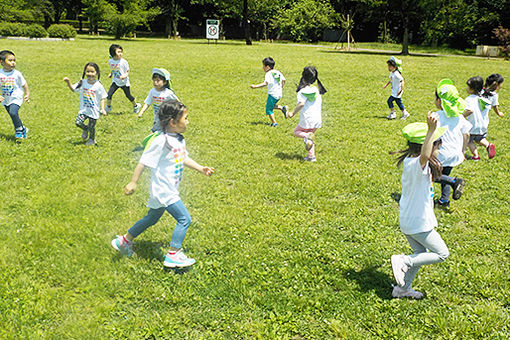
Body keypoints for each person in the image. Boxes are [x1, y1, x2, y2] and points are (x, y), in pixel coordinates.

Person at [111, 100, 214, 268]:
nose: (188, 121)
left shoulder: (178, 139)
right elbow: (143, 161)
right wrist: (133, 182)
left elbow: (182, 158)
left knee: (151, 218)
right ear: (172, 122)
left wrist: (200, 168)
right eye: (186, 118)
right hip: (164, 189)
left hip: (168, 188)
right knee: (184, 219)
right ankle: (174, 254)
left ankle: (124, 241)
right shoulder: (161, 140)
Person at [391, 113, 450, 299]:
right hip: (418, 222)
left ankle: (402, 289)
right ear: (428, 146)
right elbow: (425, 155)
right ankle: (404, 260)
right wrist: (431, 130)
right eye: (438, 146)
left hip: (409, 219)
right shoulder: (418, 164)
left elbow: (425, 156)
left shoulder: (411, 163)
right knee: (441, 253)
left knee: (420, 253)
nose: (439, 151)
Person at [434, 79, 471, 208]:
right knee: (445, 174)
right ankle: (444, 200)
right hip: (455, 152)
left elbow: (431, 133)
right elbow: (466, 134)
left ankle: (455, 182)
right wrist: (463, 151)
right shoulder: (460, 117)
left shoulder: (436, 115)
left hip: (441, 152)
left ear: (439, 101)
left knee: (430, 175)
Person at [285, 66, 326, 162]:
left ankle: (307, 137)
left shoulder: (302, 91)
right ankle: (311, 157)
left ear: (303, 77)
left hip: (307, 118)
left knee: (297, 132)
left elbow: (301, 104)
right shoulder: (316, 89)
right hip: (317, 118)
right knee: (309, 138)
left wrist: (292, 113)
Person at [63, 62, 107, 146]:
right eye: (88, 71)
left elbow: (102, 97)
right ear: (84, 72)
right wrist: (68, 82)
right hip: (84, 109)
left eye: (92, 72)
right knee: (78, 122)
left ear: (96, 73)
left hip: (94, 110)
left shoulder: (98, 85)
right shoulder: (82, 82)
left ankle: (91, 139)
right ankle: (85, 129)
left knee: (92, 126)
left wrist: (103, 109)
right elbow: (73, 89)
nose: (90, 74)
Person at [463, 76, 500, 160]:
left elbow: (470, 110)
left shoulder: (469, 99)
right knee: (480, 138)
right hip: (483, 125)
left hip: (473, 125)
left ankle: (476, 156)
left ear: (472, 89)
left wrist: (462, 116)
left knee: (469, 141)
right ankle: (488, 145)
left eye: (468, 87)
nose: (466, 88)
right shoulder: (483, 98)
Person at [137, 68, 179, 132]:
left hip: (166, 117)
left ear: (165, 82)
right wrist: (142, 111)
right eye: (154, 80)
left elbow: (177, 102)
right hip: (156, 117)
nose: (155, 82)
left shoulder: (168, 93)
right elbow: (148, 103)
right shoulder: (152, 91)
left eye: (158, 80)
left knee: (163, 132)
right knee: (155, 131)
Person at [0, 50, 29, 139]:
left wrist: (27, 94)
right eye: (10, 60)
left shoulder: (17, 74)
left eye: (14, 60)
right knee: (13, 116)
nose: (13, 63)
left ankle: (18, 129)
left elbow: (24, 84)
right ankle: (23, 128)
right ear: (2, 62)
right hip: (6, 99)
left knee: (13, 112)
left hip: (16, 97)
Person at [250, 57, 287, 127]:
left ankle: (274, 123)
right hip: (279, 94)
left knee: (269, 109)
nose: (262, 68)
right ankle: (282, 108)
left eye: (263, 66)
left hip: (272, 94)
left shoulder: (268, 74)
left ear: (267, 67)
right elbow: (284, 80)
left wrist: (255, 86)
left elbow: (265, 83)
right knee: (271, 105)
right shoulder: (277, 72)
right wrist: (281, 87)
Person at [105, 44, 141, 114]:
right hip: (115, 81)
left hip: (124, 82)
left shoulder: (124, 62)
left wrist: (124, 76)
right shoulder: (111, 61)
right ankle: (108, 107)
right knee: (109, 94)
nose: (120, 53)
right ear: (113, 53)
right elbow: (113, 69)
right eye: (118, 52)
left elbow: (127, 72)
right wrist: (111, 74)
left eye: (121, 52)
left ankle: (136, 106)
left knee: (128, 95)